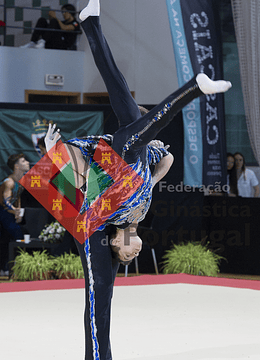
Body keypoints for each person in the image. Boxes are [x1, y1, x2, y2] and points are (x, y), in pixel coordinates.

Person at [44, 1, 232, 359]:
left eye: (127, 254)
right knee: (119, 88)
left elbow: (77, 185)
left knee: (135, 122)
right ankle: (91, 23)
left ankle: (195, 88)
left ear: (115, 244)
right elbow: (172, 158)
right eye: (137, 253)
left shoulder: (104, 217)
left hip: (118, 158)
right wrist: (155, 177)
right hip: (138, 154)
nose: (135, 251)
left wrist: (54, 155)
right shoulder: (140, 213)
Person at [0, 153, 30, 275]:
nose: (27, 162)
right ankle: (9, 267)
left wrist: (18, 212)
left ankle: (11, 266)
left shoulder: (21, 182)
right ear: (16, 166)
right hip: (3, 212)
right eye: (23, 161)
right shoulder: (9, 182)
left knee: (17, 234)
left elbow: (17, 198)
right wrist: (15, 211)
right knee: (17, 233)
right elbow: (4, 203)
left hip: (10, 214)